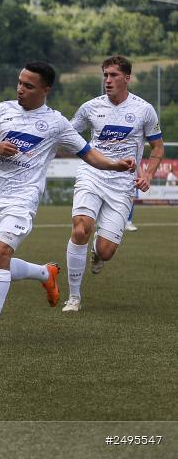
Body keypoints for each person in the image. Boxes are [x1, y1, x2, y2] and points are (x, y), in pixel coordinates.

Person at [0, 62, 134, 349]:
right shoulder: (2, 110)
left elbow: (89, 153)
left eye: (29, 86)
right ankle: (45, 273)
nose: (21, 89)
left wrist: (115, 165)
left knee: (1, 254)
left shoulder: (56, 123)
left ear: (45, 90)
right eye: (19, 82)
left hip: (22, 198)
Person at [61, 56, 164, 312]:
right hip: (92, 174)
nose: (108, 80)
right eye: (105, 75)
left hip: (122, 184)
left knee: (106, 251)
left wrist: (148, 174)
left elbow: (158, 147)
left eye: (113, 75)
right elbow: (69, 135)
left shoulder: (144, 110)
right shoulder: (90, 108)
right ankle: (74, 297)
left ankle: (98, 251)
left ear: (126, 78)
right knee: (80, 228)